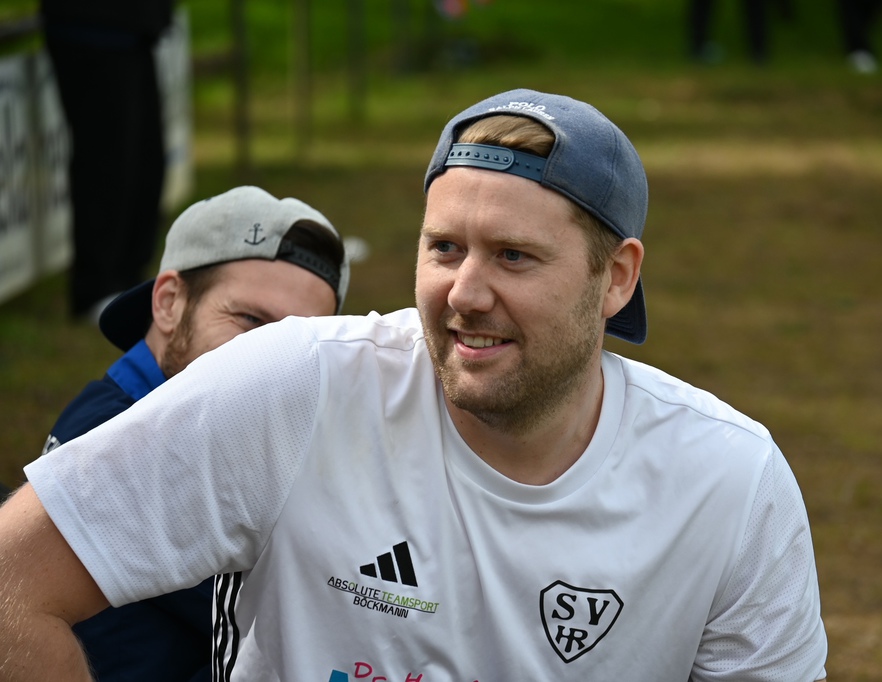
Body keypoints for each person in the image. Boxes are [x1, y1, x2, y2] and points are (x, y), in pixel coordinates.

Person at [0, 89, 827, 680]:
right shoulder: (297, 385)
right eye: (444, 249)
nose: (465, 292)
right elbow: (13, 580)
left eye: (514, 256)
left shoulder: (729, 484)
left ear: (615, 278)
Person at [30, 185, 351, 682]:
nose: (273, 361)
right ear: (169, 302)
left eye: (299, 342)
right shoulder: (120, 441)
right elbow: (310, 619)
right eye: (251, 320)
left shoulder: (143, 415)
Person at [40, 0, 175, 320]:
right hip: (92, 26)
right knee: (106, 163)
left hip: (136, 30)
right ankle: (96, 289)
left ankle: (130, 281)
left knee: (145, 163)